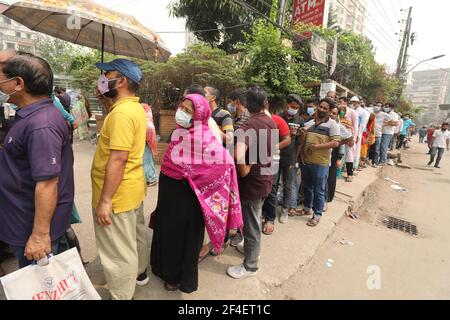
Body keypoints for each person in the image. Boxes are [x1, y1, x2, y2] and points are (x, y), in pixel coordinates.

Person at [151, 94, 243, 292]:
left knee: (181, 238)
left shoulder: (205, 138)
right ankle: (162, 268)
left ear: (199, 115)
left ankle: (176, 277)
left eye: (188, 111)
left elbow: (225, 163)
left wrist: (202, 185)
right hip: (169, 194)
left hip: (188, 200)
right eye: (181, 107)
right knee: (166, 232)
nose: (181, 113)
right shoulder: (179, 132)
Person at [0, 52, 74, 268]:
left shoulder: (42, 125)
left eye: (2, 77)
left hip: (31, 228)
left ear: (18, 83)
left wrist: (40, 236)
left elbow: (48, 183)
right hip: (21, 219)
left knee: (42, 285)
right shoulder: (30, 115)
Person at [92, 59, 149, 300]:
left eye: (107, 74)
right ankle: (138, 273)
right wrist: (108, 101)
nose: (103, 78)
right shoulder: (132, 108)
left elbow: (117, 159)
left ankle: (122, 294)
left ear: (122, 80)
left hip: (116, 195)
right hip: (131, 188)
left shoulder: (122, 114)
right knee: (134, 237)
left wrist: (105, 201)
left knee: (118, 252)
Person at [227, 85, 276, 279]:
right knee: (252, 219)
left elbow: (239, 154)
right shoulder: (270, 122)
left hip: (252, 183)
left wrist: (245, 169)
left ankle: (250, 266)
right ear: (265, 103)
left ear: (246, 105)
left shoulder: (247, 126)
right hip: (265, 178)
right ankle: (250, 250)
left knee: (252, 223)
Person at [297, 98, 340, 227]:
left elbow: (335, 142)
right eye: (320, 106)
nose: (321, 109)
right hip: (306, 161)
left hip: (321, 163)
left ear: (330, 111)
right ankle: (306, 208)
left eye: (325, 108)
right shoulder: (310, 123)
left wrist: (317, 147)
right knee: (307, 187)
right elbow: (302, 140)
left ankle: (317, 214)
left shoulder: (333, 125)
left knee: (319, 190)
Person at [261, 101, 292, 235]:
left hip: (272, 160)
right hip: (255, 160)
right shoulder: (252, 119)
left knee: (271, 189)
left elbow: (287, 140)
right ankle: (261, 213)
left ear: (266, 105)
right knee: (259, 188)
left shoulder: (277, 120)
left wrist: (273, 147)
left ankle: (270, 218)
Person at [277, 94, 304, 223]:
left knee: (288, 185)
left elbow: (299, 142)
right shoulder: (277, 118)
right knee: (273, 184)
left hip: (290, 157)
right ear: (286, 105)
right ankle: (269, 210)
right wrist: (289, 134)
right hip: (276, 155)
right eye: (292, 106)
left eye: (296, 107)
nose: (294, 109)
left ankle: (285, 210)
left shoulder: (299, 120)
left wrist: (295, 158)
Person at [326, 105, 353, 205]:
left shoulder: (339, 126)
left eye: (334, 113)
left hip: (334, 153)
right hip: (323, 153)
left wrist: (339, 157)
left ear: (337, 115)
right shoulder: (322, 123)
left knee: (331, 175)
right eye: (330, 112)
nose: (331, 115)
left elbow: (349, 137)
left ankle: (328, 198)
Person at [338, 97, 358, 182]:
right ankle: (338, 172)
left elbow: (355, 126)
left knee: (349, 154)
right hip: (339, 135)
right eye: (339, 102)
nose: (340, 104)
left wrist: (353, 138)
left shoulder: (353, 112)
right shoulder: (338, 111)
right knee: (339, 154)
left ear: (346, 102)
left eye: (341, 102)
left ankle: (350, 174)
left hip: (349, 135)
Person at [351, 96, 370, 171]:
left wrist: (358, 135)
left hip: (357, 133)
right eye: (352, 102)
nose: (353, 104)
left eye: (355, 102)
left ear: (359, 102)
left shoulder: (364, 112)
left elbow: (362, 125)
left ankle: (354, 166)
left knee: (356, 150)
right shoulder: (351, 110)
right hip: (350, 132)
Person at [142, 103, 158, 186]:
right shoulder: (145, 107)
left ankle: (151, 178)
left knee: (146, 159)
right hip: (149, 136)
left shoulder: (141, 107)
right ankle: (151, 178)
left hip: (147, 136)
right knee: (148, 158)